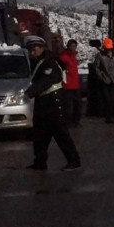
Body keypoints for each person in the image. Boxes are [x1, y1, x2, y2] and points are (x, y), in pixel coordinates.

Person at [24, 36, 81, 172]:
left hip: (54, 102)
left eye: (34, 49)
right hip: (42, 101)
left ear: (42, 48)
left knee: (60, 133)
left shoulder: (50, 62)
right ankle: (40, 162)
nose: (32, 52)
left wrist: (29, 93)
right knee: (40, 134)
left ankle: (74, 161)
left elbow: (47, 80)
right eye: (30, 49)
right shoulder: (38, 61)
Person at [93, 38, 114, 124]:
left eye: (109, 48)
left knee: (112, 99)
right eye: (106, 48)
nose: (108, 49)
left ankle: (110, 116)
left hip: (113, 80)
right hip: (104, 81)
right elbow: (96, 67)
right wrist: (101, 77)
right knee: (107, 98)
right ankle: (108, 116)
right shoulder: (100, 56)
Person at [59, 39, 81, 126]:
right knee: (68, 106)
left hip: (75, 85)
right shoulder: (64, 57)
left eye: (74, 46)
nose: (73, 48)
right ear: (68, 46)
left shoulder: (73, 57)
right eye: (71, 46)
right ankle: (68, 122)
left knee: (78, 105)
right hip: (67, 86)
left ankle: (75, 121)